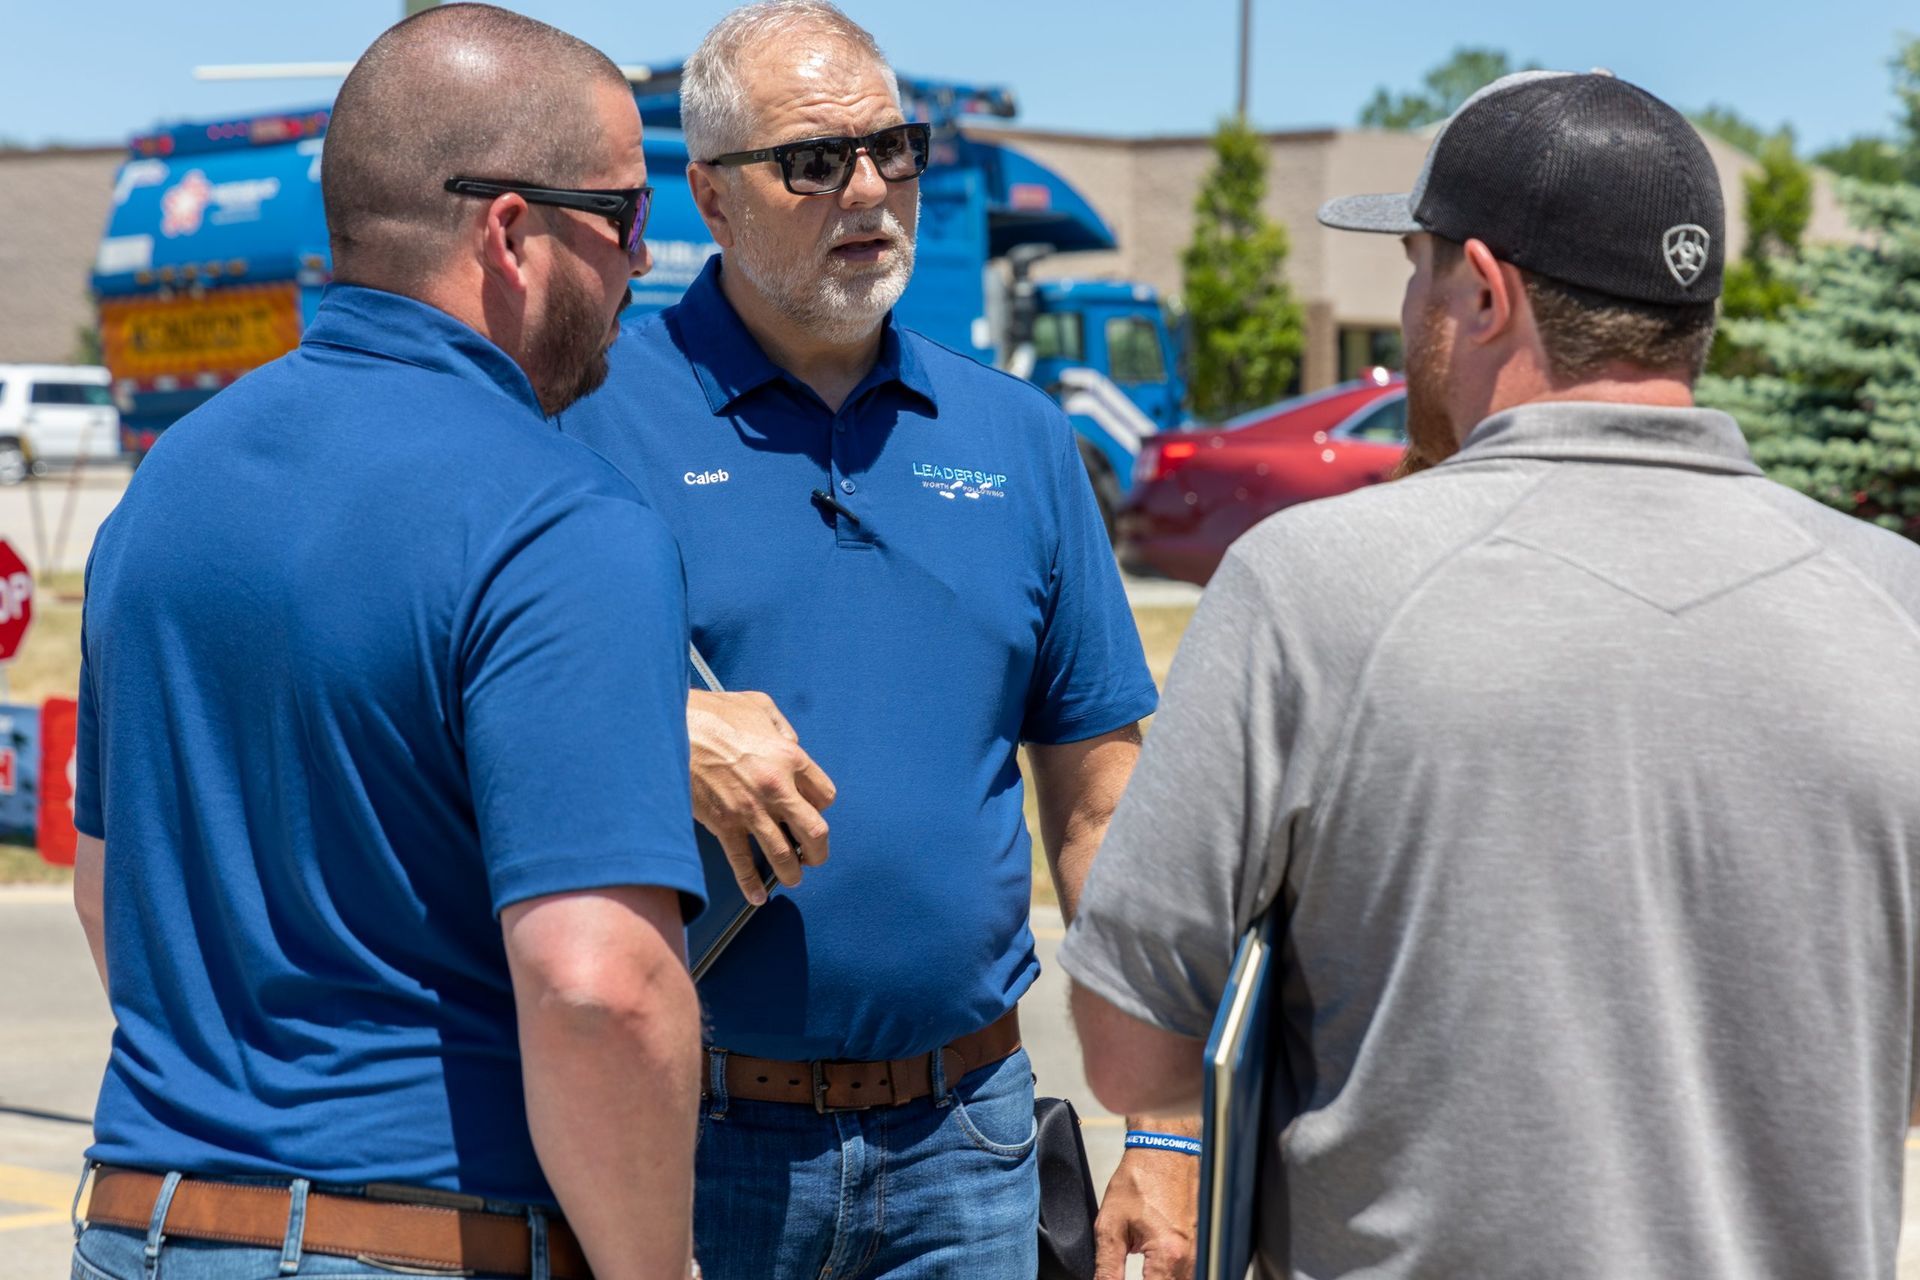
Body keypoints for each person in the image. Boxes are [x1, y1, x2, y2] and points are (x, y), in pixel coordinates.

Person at [1062, 70, 1920, 1279]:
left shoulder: (1312, 589)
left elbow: (1127, 1046)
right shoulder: (1896, 603)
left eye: (1414, 265)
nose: (1409, 300)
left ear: (1481, 287)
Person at [69, 8, 707, 1279]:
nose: (650, 256)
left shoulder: (166, 488)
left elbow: (106, 889)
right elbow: (598, 984)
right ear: (513, 232)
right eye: (629, 213)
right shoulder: (560, 519)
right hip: (418, 1238)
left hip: (142, 1225)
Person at [558, 3, 1196, 1275]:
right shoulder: (583, 421)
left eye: (893, 149)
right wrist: (652, 721)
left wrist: (1166, 1130)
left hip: (971, 1146)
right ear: (713, 200)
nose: (869, 189)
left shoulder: (1017, 441)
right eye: (814, 160)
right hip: (690, 1141)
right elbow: (453, 713)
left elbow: (1100, 807)